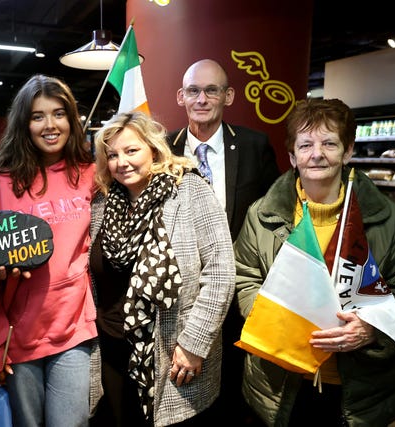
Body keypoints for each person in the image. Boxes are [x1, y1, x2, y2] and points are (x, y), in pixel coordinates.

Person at [234, 98, 395, 426]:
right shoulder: (263, 215)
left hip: (358, 387)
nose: (317, 153)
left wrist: (372, 330)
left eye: (329, 143)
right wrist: (273, 317)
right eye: (306, 144)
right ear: (292, 157)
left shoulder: (387, 218)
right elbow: (244, 275)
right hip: (282, 379)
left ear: (348, 151)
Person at [0, 74, 98, 427]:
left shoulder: (90, 174)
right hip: (18, 332)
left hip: (75, 328)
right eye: (38, 116)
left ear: (72, 119)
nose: (50, 125)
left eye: (59, 114)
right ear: (24, 123)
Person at [89, 111, 235, 426]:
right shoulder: (101, 204)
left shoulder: (188, 190)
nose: (122, 162)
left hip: (172, 351)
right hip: (112, 349)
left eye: (131, 150)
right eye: (112, 155)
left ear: (153, 150)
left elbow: (221, 272)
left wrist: (195, 343)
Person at [168, 58, 280, 425]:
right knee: (186, 395)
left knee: (233, 401)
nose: (202, 99)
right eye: (194, 91)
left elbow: (274, 217)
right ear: (181, 96)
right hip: (181, 302)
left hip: (237, 300)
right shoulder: (162, 150)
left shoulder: (254, 146)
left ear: (228, 96)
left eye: (211, 90)